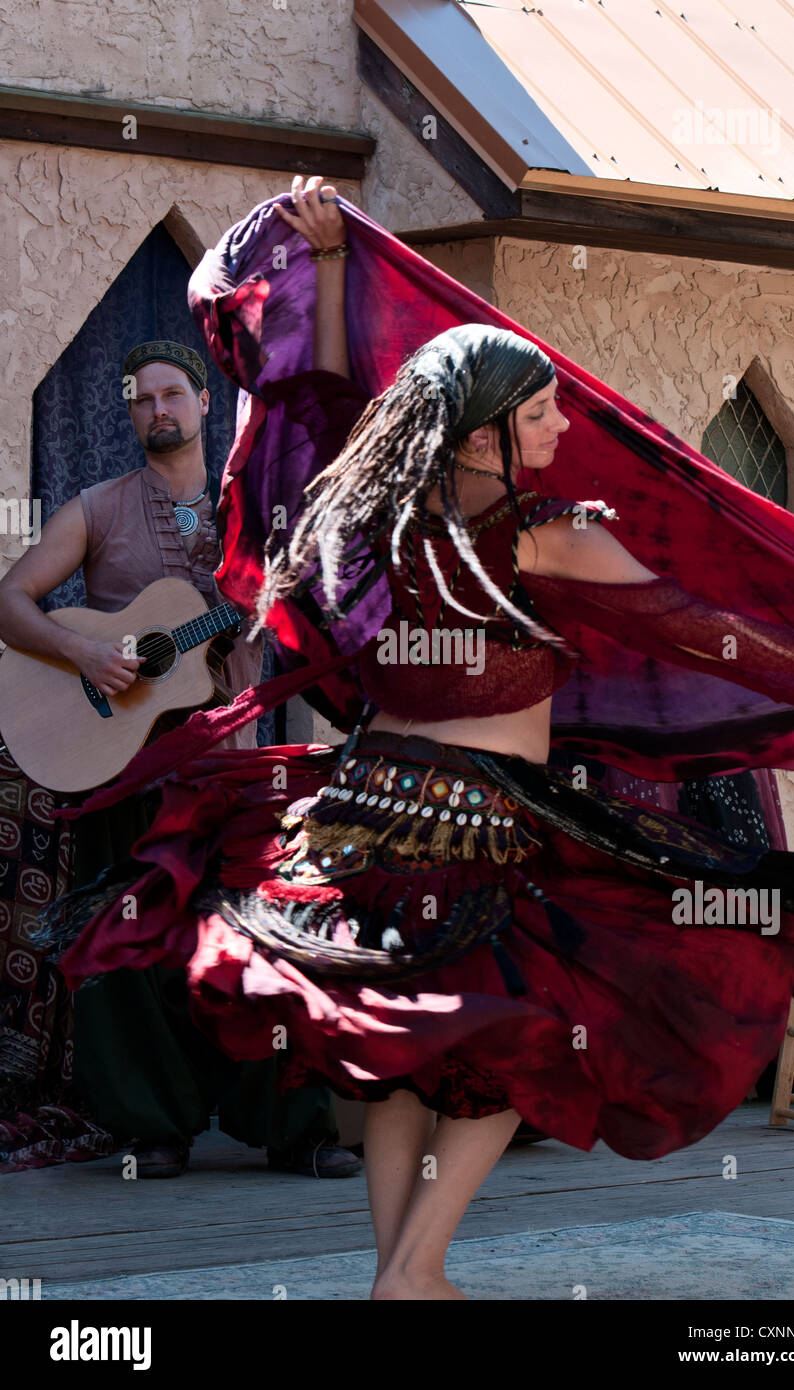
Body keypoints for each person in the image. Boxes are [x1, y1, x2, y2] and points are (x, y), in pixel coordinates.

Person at [40, 185, 794, 1296]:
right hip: (480, 822)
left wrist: (332, 276)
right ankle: (413, 1269)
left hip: (355, 813)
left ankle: (403, 1271)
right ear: (480, 432)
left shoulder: (353, 514)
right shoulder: (541, 538)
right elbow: (707, 636)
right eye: (539, 417)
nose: (561, 432)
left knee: (399, 1061)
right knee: (525, 1034)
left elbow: (327, 397)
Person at [0, 203, 363, 1177]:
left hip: (232, 770)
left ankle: (297, 1131)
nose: (154, 411)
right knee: (128, 949)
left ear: (204, 402)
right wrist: (85, 657)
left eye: (169, 394)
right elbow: (12, 601)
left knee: (261, 936)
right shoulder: (96, 509)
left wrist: (260, 641)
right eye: (138, 401)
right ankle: (151, 1130)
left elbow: (298, 594)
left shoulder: (256, 504)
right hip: (124, 770)